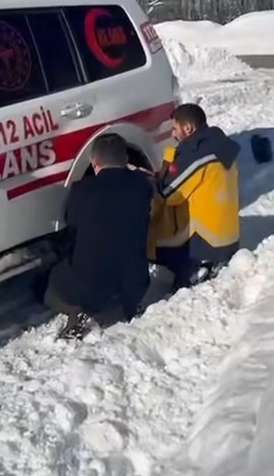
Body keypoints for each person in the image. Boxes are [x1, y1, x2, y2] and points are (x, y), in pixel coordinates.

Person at [45, 132, 153, 340]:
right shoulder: (142, 186)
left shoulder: (82, 190)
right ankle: (130, 305)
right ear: (126, 160)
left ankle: (79, 311)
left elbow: (72, 223)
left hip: (88, 290)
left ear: (94, 162)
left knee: (48, 286)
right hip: (135, 283)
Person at [153, 103, 240, 290]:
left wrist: (156, 175)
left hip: (206, 241)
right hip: (228, 237)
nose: (173, 135)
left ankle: (194, 268)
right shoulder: (218, 142)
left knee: (154, 246)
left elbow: (168, 193)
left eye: (175, 129)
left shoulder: (196, 155)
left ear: (188, 128)